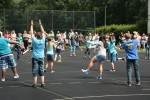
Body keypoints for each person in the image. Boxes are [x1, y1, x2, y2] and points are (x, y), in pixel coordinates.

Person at [30, 19, 48, 88]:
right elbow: (43, 31)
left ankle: (35, 83)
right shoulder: (43, 40)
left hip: (35, 57)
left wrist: (31, 25)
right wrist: (40, 24)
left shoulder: (35, 41)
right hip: (41, 57)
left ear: (36, 36)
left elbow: (31, 33)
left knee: (35, 69)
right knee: (41, 69)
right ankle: (42, 83)